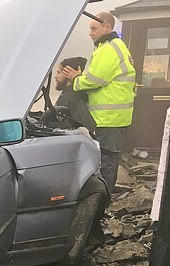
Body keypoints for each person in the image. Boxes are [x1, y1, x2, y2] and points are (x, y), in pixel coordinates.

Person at [62, 12, 136, 193]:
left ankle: (102, 200)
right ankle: (103, 196)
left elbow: (94, 79)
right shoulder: (112, 46)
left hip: (109, 118)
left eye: (94, 28)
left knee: (106, 160)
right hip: (112, 117)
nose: (90, 33)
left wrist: (76, 79)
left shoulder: (109, 48)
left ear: (107, 27)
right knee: (108, 158)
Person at [52, 57, 96, 132]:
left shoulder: (71, 97)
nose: (55, 76)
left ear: (68, 73)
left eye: (59, 72)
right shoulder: (77, 93)